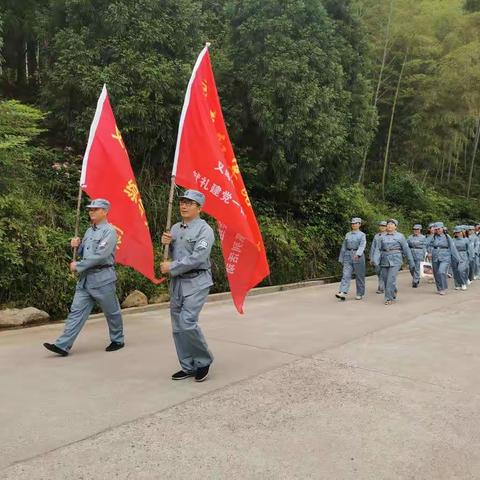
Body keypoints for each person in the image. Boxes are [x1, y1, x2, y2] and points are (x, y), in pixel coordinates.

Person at [43, 199, 124, 356]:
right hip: (86, 280)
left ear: (105, 211)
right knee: (76, 312)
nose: (91, 211)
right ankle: (63, 345)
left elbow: (100, 255)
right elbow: (84, 252)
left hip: (103, 278)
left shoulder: (109, 231)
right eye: (90, 209)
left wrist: (78, 266)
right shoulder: (89, 231)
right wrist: (76, 246)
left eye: (95, 209)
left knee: (111, 312)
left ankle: (117, 339)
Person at [160, 189, 214, 382]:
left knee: (187, 322)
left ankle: (203, 360)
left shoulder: (204, 230)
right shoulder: (175, 228)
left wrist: (172, 266)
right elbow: (172, 254)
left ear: (199, 208)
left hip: (197, 281)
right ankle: (188, 366)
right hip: (177, 282)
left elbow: (198, 257)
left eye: (189, 203)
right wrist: (165, 243)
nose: (184, 205)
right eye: (182, 202)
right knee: (177, 327)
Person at [372, 219, 415, 306]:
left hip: (396, 259)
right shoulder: (381, 237)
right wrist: (375, 260)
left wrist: (411, 261)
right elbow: (378, 249)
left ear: (395, 226)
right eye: (388, 224)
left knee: (391, 279)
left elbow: (406, 249)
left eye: (392, 224)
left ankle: (388, 298)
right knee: (385, 279)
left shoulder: (400, 236)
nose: (390, 226)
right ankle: (393, 291)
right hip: (384, 259)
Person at [336, 218, 366, 301]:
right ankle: (343, 292)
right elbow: (344, 246)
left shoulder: (362, 235)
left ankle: (360, 293)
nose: (353, 225)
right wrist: (341, 258)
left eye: (356, 223)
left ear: (359, 224)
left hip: (358, 256)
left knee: (359, 276)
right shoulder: (347, 234)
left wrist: (358, 254)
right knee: (346, 274)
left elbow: (362, 245)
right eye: (352, 223)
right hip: (348, 255)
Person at [427, 222, 460, 295]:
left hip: (445, 256)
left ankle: (443, 287)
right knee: (436, 274)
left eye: (439, 229)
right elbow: (428, 245)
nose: (438, 230)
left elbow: (453, 248)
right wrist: (429, 252)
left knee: (441, 272)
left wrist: (457, 259)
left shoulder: (447, 237)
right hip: (435, 256)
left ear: (442, 228)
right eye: (436, 229)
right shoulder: (432, 237)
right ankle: (439, 288)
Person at [451, 226, 471, 291]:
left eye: (459, 232)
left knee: (461, 270)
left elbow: (469, 249)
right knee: (455, 271)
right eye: (456, 232)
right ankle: (457, 284)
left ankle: (463, 283)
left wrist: (469, 257)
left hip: (463, 256)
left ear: (462, 232)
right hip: (454, 256)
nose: (457, 234)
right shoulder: (452, 240)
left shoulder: (466, 240)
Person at [370, 221, 387, 294]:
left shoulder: (389, 235)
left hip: (385, 255)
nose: (382, 227)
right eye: (381, 226)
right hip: (376, 255)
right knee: (378, 271)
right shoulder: (376, 236)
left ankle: (381, 287)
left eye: (384, 226)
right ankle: (383, 285)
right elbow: (373, 247)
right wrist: (371, 258)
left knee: (383, 272)